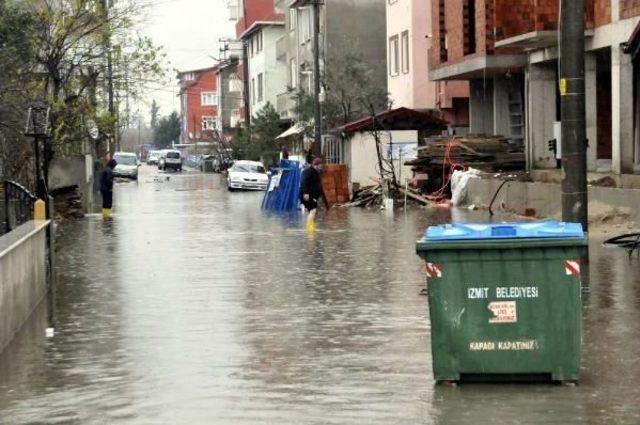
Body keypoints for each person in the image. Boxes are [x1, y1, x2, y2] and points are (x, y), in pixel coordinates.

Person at [300, 157, 328, 232]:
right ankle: (309, 229)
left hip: (313, 195)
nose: (321, 166)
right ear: (316, 165)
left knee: (314, 212)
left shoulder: (316, 172)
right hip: (307, 195)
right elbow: (303, 182)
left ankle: (311, 227)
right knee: (312, 211)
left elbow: (318, 185)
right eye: (320, 165)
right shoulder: (307, 172)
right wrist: (305, 193)